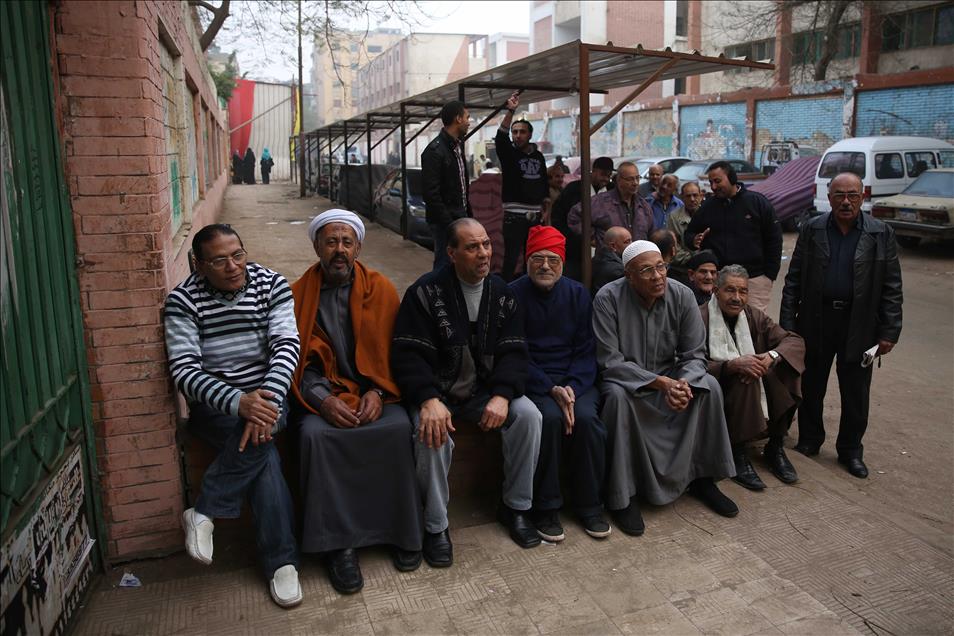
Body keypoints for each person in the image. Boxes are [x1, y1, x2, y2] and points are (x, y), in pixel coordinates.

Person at [164, 224, 302, 608]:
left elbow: (286, 346)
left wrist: (264, 401)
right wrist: (240, 403)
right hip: (217, 406)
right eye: (219, 260)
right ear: (198, 264)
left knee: (263, 436)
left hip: (270, 396)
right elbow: (186, 372)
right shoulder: (183, 301)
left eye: (238, 255)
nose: (233, 266)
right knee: (265, 451)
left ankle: (206, 510)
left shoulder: (271, 284)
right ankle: (282, 563)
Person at [392, 218, 543, 562]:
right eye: (472, 247)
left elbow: (516, 352)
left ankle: (516, 507)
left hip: (486, 392)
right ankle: (435, 526)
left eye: (486, 244)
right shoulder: (425, 293)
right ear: (451, 253)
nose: (483, 253)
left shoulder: (502, 293)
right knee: (431, 432)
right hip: (437, 394)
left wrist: (503, 395)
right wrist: (428, 399)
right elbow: (407, 354)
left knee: (529, 416)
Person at [289, 210, 423, 595]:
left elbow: (396, 353)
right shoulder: (297, 294)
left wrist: (378, 392)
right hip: (324, 397)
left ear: (358, 248)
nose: (339, 250)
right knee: (315, 436)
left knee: (398, 428)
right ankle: (338, 547)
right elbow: (300, 362)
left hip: (376, 391)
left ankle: (400, 532)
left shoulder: (381, 288)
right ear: (317, 246)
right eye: (331, 242)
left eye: (347, 242)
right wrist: (324, 400)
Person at [593, 240, 737, 536]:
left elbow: (695, 354)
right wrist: (661, 384)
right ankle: (624, 496)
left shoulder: (682, 295)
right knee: (616, 399)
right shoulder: (607, 298)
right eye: (647, 270)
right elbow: (610, 360)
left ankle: (702, 479)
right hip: (629, 382)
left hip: (672, 376)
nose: (658, 276)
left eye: (661, 267)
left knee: (708, 385)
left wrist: (682, 383)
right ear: (629, 276)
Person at [780, 172, 903, 479]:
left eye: (852, 195)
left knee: (856, 393)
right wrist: (787, 326)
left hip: (859, 325)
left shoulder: (880, 232)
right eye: (839, 195)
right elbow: (793, 280)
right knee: (811, 386)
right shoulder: (813, 229)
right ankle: (810, 440)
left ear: (862, 197)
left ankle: (850, 451)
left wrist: (889, 331)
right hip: (816, 321)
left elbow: (892, 286)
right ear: (829, 197)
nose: (845, 201)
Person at [509, 226, 610, 541]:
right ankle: (547, 507)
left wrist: (572, 388)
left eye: (553, 260)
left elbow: (586, 348)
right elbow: (513, 350)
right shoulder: (511, 293)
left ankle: (590, 505)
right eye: (537, 259)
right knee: (549, 420)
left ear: (563, 263)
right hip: (533, 379)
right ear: (527, 261)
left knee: (587, 420)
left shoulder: (578, 293)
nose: (545, 266)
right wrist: (549, 387)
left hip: (574, 380)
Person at [701, 265, 805, 489]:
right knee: (744, 377)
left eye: (743, 291)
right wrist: (731, 366)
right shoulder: (700, 317)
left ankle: (775, 445)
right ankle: (738, 453)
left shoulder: (753, 315)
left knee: (785, 366)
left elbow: (793, 341)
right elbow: (691, 363)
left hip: (752, 381)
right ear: (716, 291)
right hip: (719, 386)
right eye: (730, 290)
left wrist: (771, 356)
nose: (737, 298)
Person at [685, 161, 781, 313]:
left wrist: (769, 275)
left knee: (753, 327)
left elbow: (774, 239)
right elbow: (689, 234)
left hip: (754, 279)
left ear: (732, 179)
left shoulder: (757, 202)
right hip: (721, 280)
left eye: (717, 181)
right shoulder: (708, 207)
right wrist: (693, 240)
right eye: (711, 182)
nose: (713, 187)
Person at [497, 91, 548, 281]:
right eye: (515, 132)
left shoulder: (538, 156)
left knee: (532, 256)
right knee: (510, 259)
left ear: (530, 135)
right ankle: (505, 293)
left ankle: (529, 291)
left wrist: (546, 205)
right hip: (513, 217)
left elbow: (543, 181)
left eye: (522, 132)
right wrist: (511, 111)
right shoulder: (509, 154)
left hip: (535, 217)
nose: (517, 135)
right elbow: (501, 137)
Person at [421, 101, 471, 270]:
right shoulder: (434, 151)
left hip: (460, 217)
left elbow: (462, 186)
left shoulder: (456, 146)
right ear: (458, 119)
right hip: (445, 222)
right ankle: (438, 296)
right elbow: (430, 194)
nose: (469, 122)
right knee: (444, 263)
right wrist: (449, 223)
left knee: (459, 264)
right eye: (467, 117)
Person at [551, 157, 614, 281]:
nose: (605, 179)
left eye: (609, 176)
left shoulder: (612, 190)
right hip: (575, 250)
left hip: (603, 253)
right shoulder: (574, 189)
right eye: (602, 174)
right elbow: (558, 216)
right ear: (593, 171)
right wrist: (569, 238)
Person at [568, 162, 653, 249]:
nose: (635, 183)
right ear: (619, 180)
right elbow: (575, 217)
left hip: (636, 258)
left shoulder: (643, 205)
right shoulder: (601, 202)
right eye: (630, 179)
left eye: (637, 178)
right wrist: (595, 239)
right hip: (610, 259)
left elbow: (651, 232)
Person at [668, 180, 703, 277]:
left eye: (695, 195)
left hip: (706, 268)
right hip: (682, 270)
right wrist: (696, 258)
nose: (692, 199)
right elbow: (673, 247)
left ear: (701, 196)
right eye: (688, 196)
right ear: (682, 198)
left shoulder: (708, 214)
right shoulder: (674, 217)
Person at [591, 226, 632, 294]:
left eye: (631, 240)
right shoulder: (616, 270)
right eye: (627, 242)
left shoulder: (600, 257)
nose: (631, 245)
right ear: (613, 246)